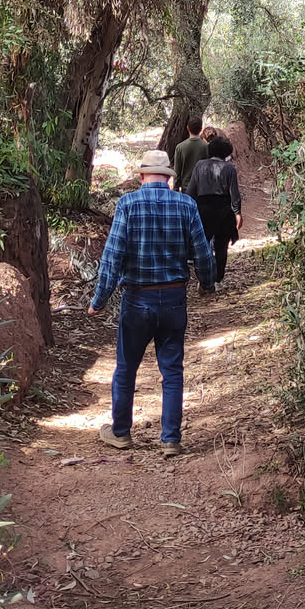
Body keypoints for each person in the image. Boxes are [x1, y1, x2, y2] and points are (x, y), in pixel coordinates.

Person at [88, 147, 216, 457]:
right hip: (174, 298)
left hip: (137, 299)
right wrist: (207, 283)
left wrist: (99, 299)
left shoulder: (128, 204)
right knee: (172, 370)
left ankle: (121, 432)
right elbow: (202, 252)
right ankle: (170, 438)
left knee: (126, 367)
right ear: (168, 178)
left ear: (143, 176)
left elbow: (113, 257)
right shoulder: (186, 205)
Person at [184, 133, 242, 285]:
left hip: (204, 210)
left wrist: (189, 210)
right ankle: (218, 279)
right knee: (221, 247)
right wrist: (237, 213)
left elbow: (191, 192)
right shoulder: (230, 168)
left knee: (203, 245)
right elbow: (234, 194)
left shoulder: (199, 166)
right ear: (226, 152)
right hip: (224, 211)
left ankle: (204, 279)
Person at [171, 115, 209, 192]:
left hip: (186, 188)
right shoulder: (206, 147)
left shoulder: (180, 147)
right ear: (201, 129)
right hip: (202, 188)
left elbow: (177, 171)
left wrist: (176, 189)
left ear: (187, 128)